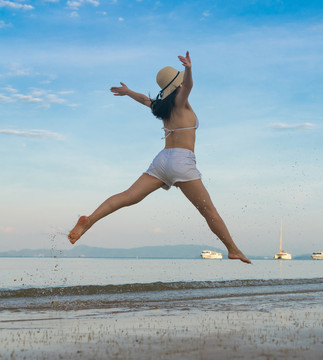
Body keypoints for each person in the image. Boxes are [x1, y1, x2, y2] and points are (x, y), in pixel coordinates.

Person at [68, 51, 251, 264]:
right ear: (178, 86)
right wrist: (189, 69)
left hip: (162, 160)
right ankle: (233, 249)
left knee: (128, 196)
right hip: (181, 162)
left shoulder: (162, 107)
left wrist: (128, 92)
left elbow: (145, 100)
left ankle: (89, 221)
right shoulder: (181, 102)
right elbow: (189, 86)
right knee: (208, 211)